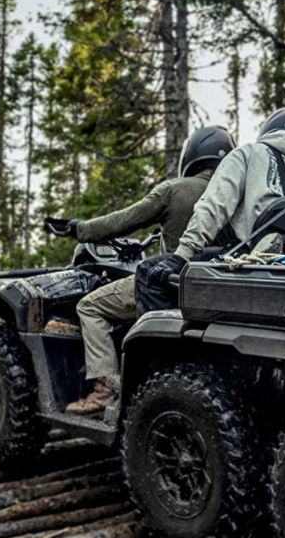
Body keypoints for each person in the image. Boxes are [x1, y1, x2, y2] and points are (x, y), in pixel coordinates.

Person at [51, 126, 235, 415]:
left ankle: (105, 390)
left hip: (170, 283)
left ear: (193, 156)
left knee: (89, 306)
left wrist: (80, 229)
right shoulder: (237, 194)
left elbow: (123, 221)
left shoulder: (175, 190)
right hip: (220, 289)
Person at [135, 107, 285, 310]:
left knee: (147, 272)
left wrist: (181, 255)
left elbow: (213, 206)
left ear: (268, 130)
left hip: (246, 264)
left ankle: (169, 344)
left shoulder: (247, 154)